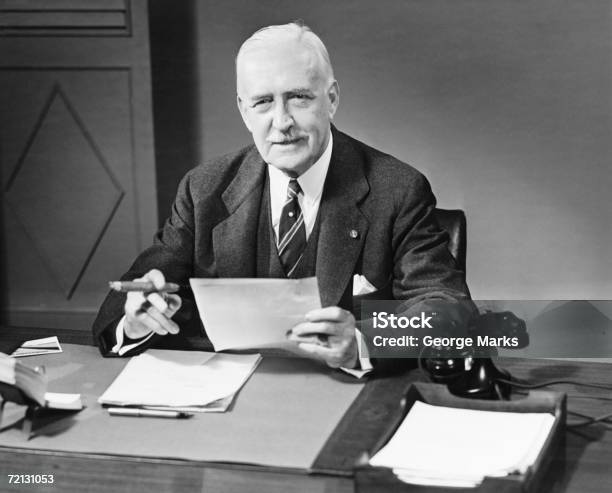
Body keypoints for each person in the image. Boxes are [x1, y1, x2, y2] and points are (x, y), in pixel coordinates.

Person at [93, 22, 473, 373]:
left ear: (332, 98)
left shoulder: (397, 188)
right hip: (229, 405)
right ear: (244, 110)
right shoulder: (203, 189)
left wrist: (362, 342)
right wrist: (137, 318)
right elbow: (134, 293)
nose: (282, 121)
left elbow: (447, 310)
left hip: (344, 398)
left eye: (299, 98)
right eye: (262, 102)